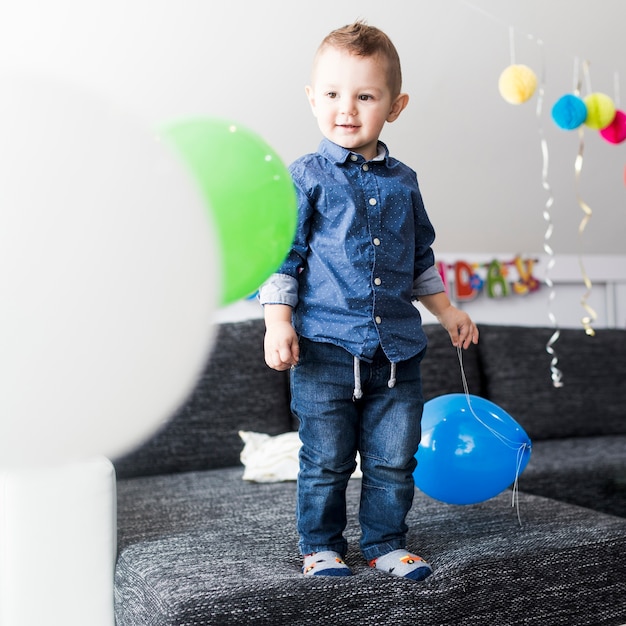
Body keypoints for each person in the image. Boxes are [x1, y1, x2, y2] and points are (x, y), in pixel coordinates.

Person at [258, 20, 479, 581]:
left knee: (392, 460)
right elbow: (282, 258)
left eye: (364, 96)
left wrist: (448, 311)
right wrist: (277, 321)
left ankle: (384, 542)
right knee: (327, 460)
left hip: (397, 354)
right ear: (312, 99)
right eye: (332, 94)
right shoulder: (304, 178)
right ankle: (321, 546)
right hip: (324, 351)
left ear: (395, 106)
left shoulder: (405, 182)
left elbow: (419, 259)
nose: (346, 109)